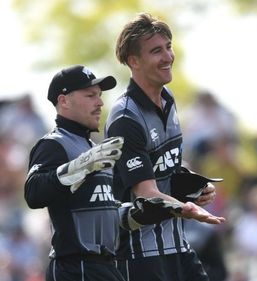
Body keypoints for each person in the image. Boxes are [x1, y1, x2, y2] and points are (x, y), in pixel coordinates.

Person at [24, 65, 181, 281]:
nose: (99, 103)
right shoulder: (53, 144)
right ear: (64, 101)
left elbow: (100, 208)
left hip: (104, 266)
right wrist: (81, 166)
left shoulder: (97, 149)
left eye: (99, 96)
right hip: (75, 267)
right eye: (90, 96)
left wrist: (137, 213)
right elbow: (34, 192)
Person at [106, 12, 225, 281]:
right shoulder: (125, 117)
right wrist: (191, 210)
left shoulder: (168, 99)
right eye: (156, 51)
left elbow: (164, 168)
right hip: (140, 255)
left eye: (168, 47)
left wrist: (192, 188)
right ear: (133, 61)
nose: (168, 57)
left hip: (178, 246)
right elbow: (146, 193)